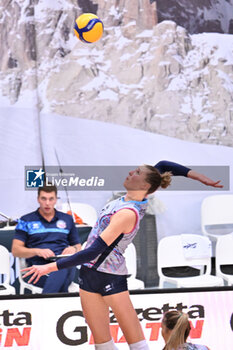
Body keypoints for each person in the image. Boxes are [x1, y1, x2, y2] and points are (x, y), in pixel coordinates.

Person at [21, 161, 222, 349]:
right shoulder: (139, 190)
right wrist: (198, 177)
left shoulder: (128, 212)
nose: (130, 173)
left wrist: (49, 266)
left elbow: (93, 251)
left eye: (136, 173)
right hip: (89, 275)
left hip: (110, 277)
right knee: (102, 343)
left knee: (137, 344)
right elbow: (164, 165)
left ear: (144, 185)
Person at [12, 184, 81, 293]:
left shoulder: (67, 219)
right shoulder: (26, 220)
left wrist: (74, 249)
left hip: (62, 262)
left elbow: (78, 246)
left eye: (51, 199)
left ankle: (45, 300)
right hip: (38, 269)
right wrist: (37, 251)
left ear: (56, 200)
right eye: (44, 198)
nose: (47, 203)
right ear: (38, 199)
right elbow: (16, 250)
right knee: (63, 269)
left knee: (63, 264)